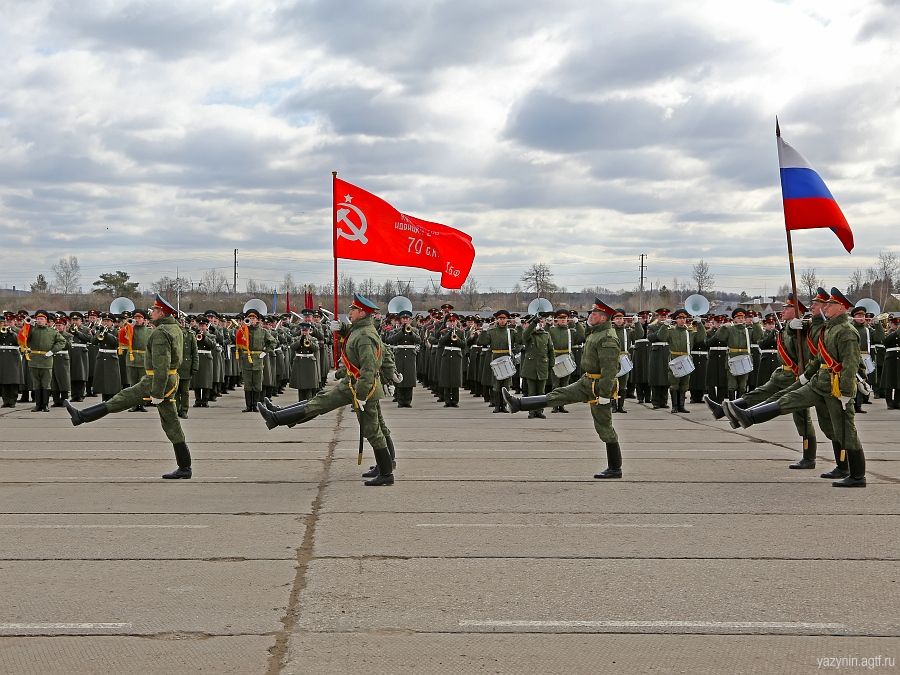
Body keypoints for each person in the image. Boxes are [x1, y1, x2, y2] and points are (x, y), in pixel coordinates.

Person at [724, 288, 867, 488]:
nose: (826, 307)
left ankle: (857, 476)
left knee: (845, 430)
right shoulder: (829, 327)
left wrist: (845, 392)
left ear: (841, 308)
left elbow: (850, 364)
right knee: (790, 400)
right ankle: (749, 416)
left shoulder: (846, 331)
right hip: (819, 382)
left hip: (835, 387)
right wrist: (805, 376)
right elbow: (819, 357)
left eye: (830, 304)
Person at [257, 294, 396, 486]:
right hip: (353, 384)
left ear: (362, 312)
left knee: (372, 429)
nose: (350, 312)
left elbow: (369, 368)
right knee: (325, 403)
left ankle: (387, 473)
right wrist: (343, 328)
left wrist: (363, 395)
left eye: (353, 310)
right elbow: (354, 337)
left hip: (361, 388)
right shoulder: (362, 329)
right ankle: (278, 414)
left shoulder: (365, 336)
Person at [64, 294, 193, 480]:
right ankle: (185, 466)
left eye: (155, 310)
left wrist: (157, 392)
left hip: (156, 380)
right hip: (169, 379)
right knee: (171, 422)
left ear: (162, 312)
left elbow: (161, 364)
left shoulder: (160, 332)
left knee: (121, 399)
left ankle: (81, 416)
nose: (152, 312)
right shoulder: (175, 329)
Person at [503, 297, 624, 479]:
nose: (590, 316)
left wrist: (605, 395)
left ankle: (615, 468)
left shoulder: (607, 338)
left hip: (599, 387)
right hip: (587, 381)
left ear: (603, 317)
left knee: (604, 426)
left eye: (594, 313)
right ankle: (518, 404)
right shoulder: (597, 332)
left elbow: (609, 370)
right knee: (559, 394)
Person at [706, 293, 819, 470]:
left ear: (797, 311)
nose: (783, 310)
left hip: (795, 376)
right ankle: (725, 410)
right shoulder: (787, 328)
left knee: (801, 416)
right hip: (783, 374)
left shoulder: (800, 330)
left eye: (788, 308)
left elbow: (806, 350)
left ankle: (809, 456)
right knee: (759, 393)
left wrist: (802, 327)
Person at [656, 308, 706, 413]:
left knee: (684, 384)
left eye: (684, 318)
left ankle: (681, 406)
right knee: (674, 384)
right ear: (675, 319)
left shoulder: (690, 332)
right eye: (680, 318)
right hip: (675, 359)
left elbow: (701, 337)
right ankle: (674, 406)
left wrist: (700, 324)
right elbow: (661, 337)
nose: (682, 320)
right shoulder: (671, 331)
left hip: (686, 359)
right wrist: (664, 326)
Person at [23, 309, 67, 413]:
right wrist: (27, 326)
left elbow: (62, 341)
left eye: (42, 319)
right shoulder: (32, 330)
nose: (39, 320)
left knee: (46, 384)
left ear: (46, 320)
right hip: (34, 360)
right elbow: (23, 338)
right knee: (36, 384)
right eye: (38, 319)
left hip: (46, 360)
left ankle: (45, 405)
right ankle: (38, 405)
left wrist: (52, 351)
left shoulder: (52, 331)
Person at [519, 312, 555, 418]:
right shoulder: (530, 335)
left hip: (543, 366)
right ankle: (531, 411)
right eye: (539, 323)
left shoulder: (546, 335)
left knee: (541, 392)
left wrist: (551, 364)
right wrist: (533, 323)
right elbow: (525, 335)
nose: (540, 324)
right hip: (531, 367)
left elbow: (551, 350)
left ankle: (539, 411)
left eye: (541, 322)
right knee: (531, 392)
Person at [0, 311, 24, 407]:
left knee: (13, 381)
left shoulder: (17, 331)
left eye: (10, 321)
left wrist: (12, 333)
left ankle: (13, 400)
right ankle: (5, 401)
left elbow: (20, 342)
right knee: (4, 381)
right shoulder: (1, 331)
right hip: (3, 358)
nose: (8, 323)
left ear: (14, 322)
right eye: (7, 321)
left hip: (13, 358)